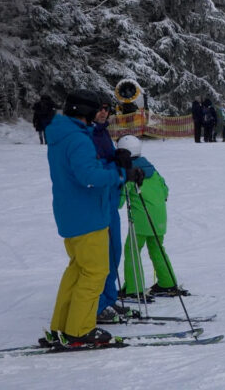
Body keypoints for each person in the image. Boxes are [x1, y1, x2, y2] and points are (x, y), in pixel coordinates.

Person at [44, 90, 141, 348]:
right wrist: (121, 176)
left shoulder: (62, 135)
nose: (101, 112)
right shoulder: (77, 139)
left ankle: (61, 327)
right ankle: (80, 330)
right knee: (95, 272)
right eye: (97, 108)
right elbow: (89, 176)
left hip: (73, 216)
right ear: (85, 111)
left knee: (77, 272)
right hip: (87, 216)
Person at [116, 135, 186, 300]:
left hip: (141, 220)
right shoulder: (152, 170)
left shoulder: (129, 173)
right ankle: (167, 282)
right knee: (157, 248)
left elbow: (119, 201)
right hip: (159, 218)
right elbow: (165, 190)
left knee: (132, 250)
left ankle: (134, 288)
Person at [91, 96, 133, 323]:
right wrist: (116, 165)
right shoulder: (87, 134)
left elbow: (106, 159)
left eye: (107, 109)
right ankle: (97, 304)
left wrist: (118, 158)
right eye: (100, 109)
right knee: (101, 256)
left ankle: (108, 298)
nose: (104, 112)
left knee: (114, 253)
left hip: (110, 201)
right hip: (97, 203)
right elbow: (93, 168)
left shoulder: (103, 132)